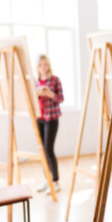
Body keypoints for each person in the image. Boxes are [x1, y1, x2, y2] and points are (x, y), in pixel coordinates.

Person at [35, 55, 64, 194]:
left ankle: (56, 181)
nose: (43, 67)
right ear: (38, 67)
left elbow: (60, 98)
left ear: (49, 65)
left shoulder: (55, 80)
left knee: (49, 150)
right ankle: (47, 180)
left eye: (45, 64)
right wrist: (38, 93)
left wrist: (50, 94)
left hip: (51, 118)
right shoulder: (35, 82)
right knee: (42, 150)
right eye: (41, 65)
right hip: (39, 118)